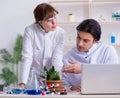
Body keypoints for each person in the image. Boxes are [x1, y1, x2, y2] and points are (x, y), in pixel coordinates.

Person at [61, 19, 119, 92]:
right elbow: (63, 85)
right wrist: (72, 88)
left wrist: (83, 69)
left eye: (85, 40)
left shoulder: (108, 51)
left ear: (95, 40)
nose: (79, 43)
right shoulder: (67, 56)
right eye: (78, 37)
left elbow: (113, 76)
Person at [18, 3, 65, 88]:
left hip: (51, 78)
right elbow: (27, 57)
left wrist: (55, 80)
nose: (54, 22)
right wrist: (22, 83)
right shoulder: (30, 30)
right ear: (40, 22)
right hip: (33, 78)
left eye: (55, 17)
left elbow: (57, 58)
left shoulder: (60, 32)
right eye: (49, 20)